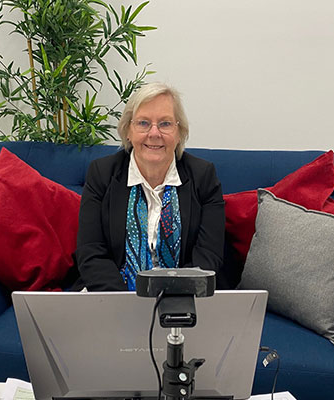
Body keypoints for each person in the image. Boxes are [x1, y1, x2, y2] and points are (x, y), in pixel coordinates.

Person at [75, 82, 225, 291]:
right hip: (111, 292)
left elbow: (209, 254)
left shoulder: (203, 176)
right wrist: (124, 304)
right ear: (128, 130)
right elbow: (90, 251)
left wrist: (173, 298)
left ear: (179, 132)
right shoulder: (102, 173)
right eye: (143, 123)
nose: (154, 133)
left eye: (165, 124)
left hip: (184, 297)